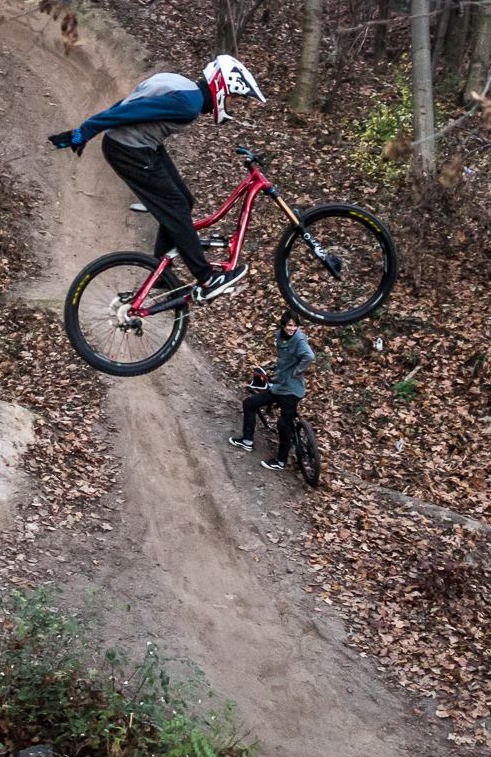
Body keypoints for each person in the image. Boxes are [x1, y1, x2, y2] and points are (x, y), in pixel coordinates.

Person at [46, 54, 266, 303]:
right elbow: (131, 110)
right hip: (128, 150)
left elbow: (128, 103)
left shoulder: (184, 87)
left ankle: (161, 275)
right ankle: (206, 277)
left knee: (183, 201)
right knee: (176, 206)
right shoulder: (187, 105)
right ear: (223, 87)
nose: (233, 105)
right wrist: (85, 131)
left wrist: (90, 129)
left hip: (141, 145)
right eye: (234, 98)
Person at [232, 313, 314, 469]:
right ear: (283, 325)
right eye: (289, 325)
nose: (292, 329)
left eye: (295, 325)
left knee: (283, 424)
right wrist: (275, 369)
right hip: (279, 386)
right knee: (250, 403)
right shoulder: (280, 337)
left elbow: (309, 356)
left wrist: (297, 371)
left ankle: (281, 461)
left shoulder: (299, 340)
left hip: (291, 391)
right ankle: (247, 440)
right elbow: (283, 359)